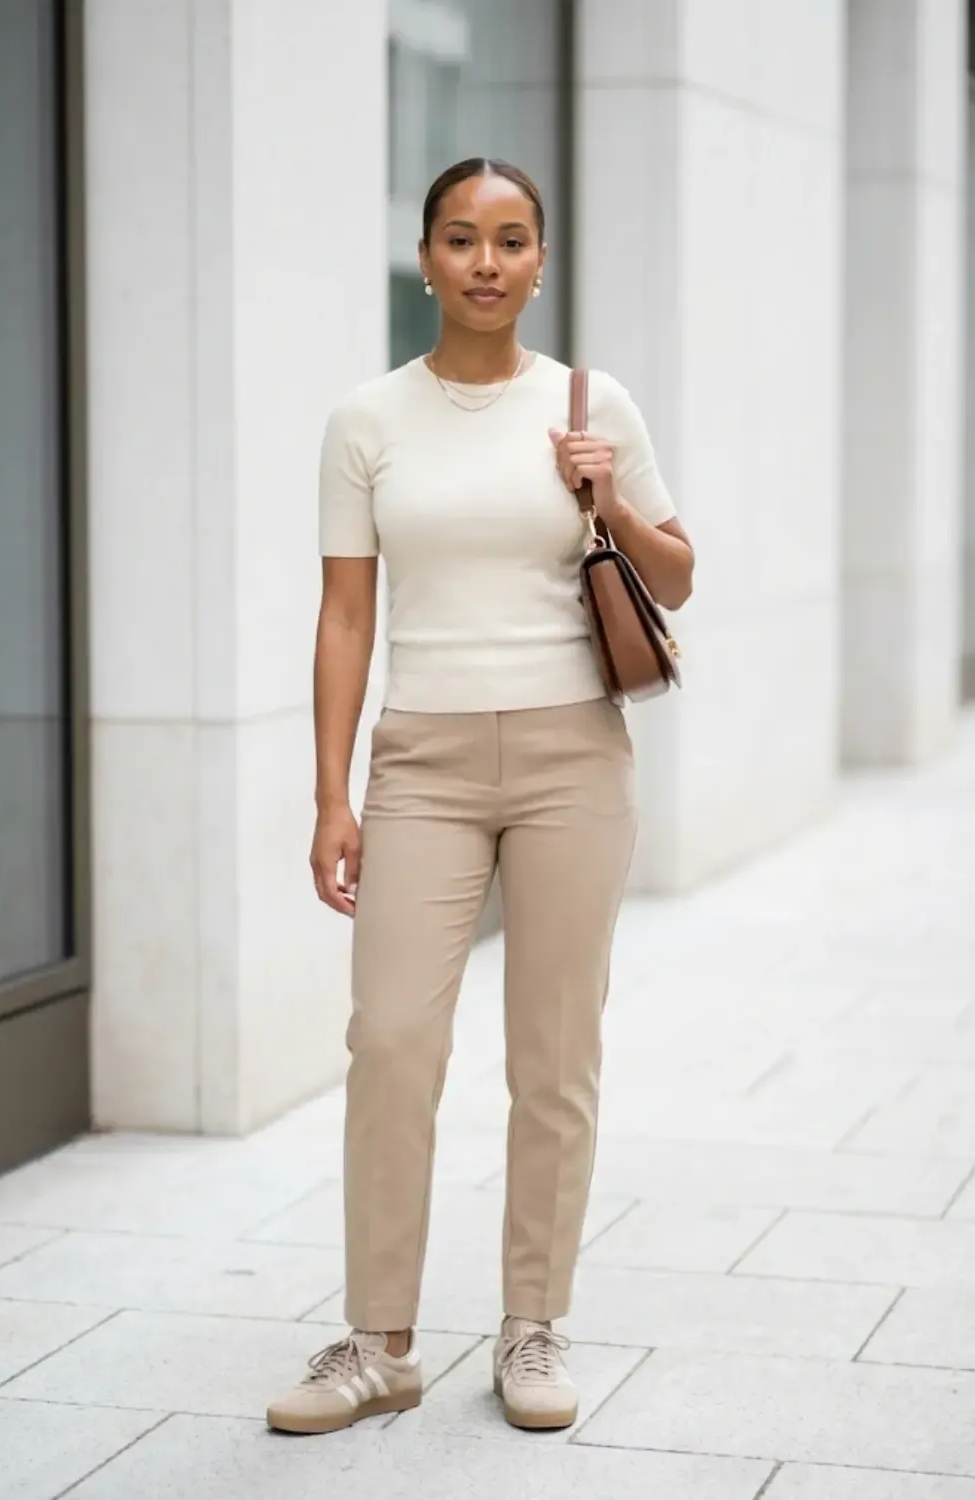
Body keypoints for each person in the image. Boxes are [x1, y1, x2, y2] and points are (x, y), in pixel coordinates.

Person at [267, 156, 694, 1438]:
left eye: (511, 240)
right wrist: (331, 795)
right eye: (462, 238)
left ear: (542, 260)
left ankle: (531, 1325)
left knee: (553, 1055)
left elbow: (674, 578)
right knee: (390, 1040)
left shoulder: (590, 400)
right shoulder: (367, 421)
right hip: (424, 761)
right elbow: (347, 618)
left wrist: (603, 486)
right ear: (425, 257)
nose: (487, 262)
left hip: (574, 752)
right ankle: (380, 1342)